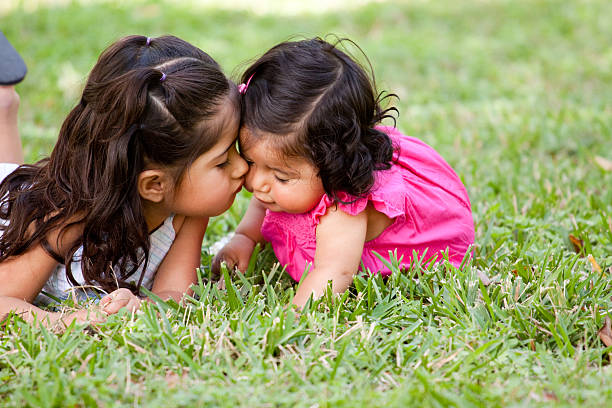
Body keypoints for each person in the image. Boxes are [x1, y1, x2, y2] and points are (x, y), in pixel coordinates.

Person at [0, 35, 248, 328]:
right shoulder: (68, 211)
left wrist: (141, 309)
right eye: (222, 162)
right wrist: (74, 321)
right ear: (154, 185)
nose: (242, 166)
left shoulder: (189, 213)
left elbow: (174, 294)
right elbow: (5, 303)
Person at [213, 37, 474, 308]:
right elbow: (262, 204)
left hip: (432, 235)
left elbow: (333, 274)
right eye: (251, 161)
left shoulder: (343, 206)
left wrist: (290, 319)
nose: (256, 183)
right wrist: (243, 239)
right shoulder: (285, 177)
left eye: (281, 176)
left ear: (332, 166)